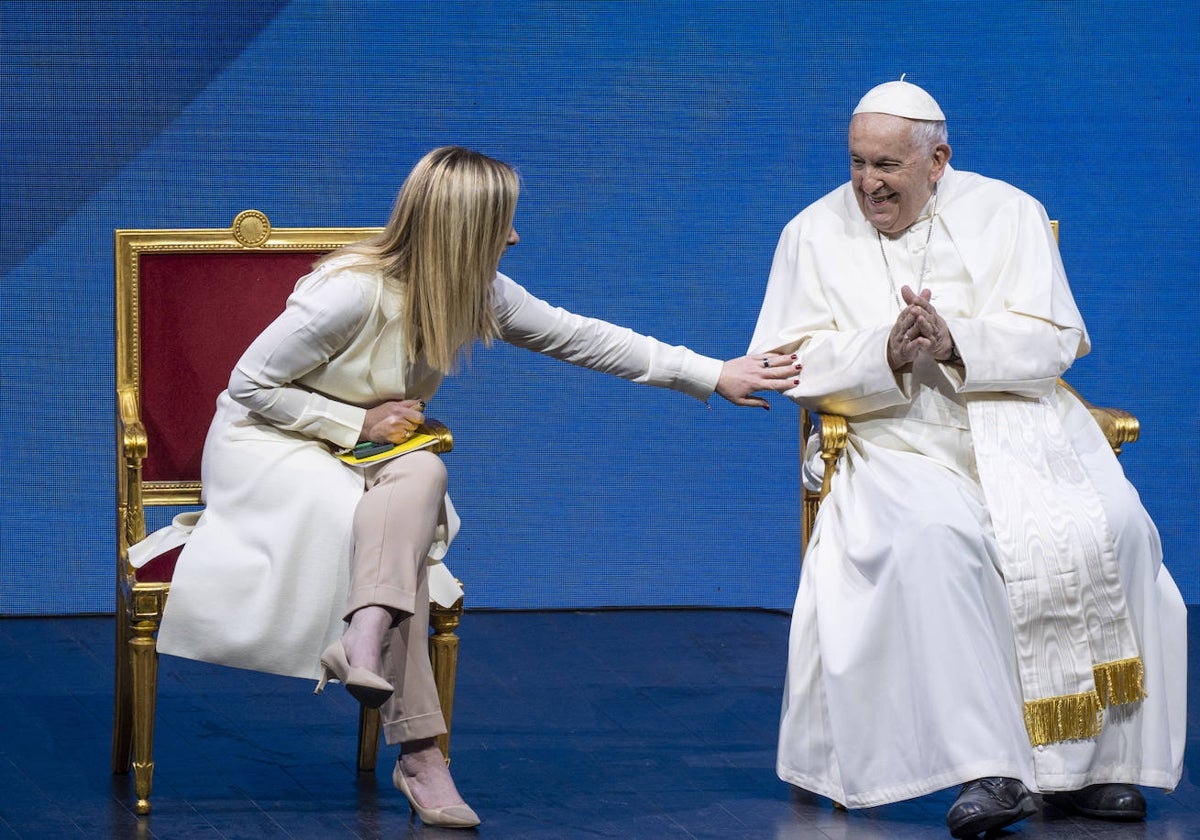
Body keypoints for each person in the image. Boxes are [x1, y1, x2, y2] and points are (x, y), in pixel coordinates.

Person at [153, 146, 796, 829]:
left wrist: (709, 373)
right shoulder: (351, 292)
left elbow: (584, 337)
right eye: (503, 224)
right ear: (464, 231)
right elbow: (248, 385)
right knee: (384, 534)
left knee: (425, 472)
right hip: (271, 447)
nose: (515, 238)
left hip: (367, 450)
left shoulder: (477, 293)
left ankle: (364, 637)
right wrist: (351, 419)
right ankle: (422, 755)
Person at [749, 80, 1185, 838]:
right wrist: (879, 350)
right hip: (895, 436)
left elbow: (1054, 344)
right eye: (856, 163)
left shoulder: (1009, 213)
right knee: (940, 537)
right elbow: (783, 363)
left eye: (886, 164)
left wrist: (957, 341)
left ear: (938, 159)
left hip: (1023, 427)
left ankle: (1091, 768)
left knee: (1118, 526)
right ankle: (990, 768)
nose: (866, 184)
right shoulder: (809, 234)